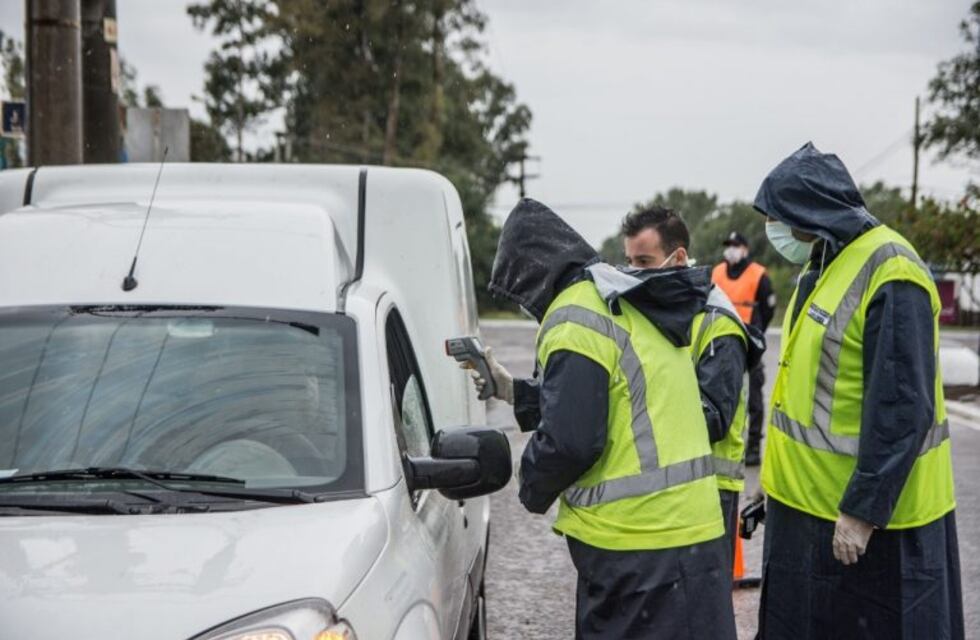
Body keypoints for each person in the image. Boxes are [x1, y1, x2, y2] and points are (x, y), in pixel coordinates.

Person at [474, 198, 736, 639]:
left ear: (535, 274)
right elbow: (618, 400)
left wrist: (530, 483)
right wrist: (514, 391)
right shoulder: (619, 298)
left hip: (638, 546)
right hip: (691, 535)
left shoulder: (575, 315)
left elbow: (572, 439)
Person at [753, 142, 963, 638]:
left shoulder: (892, 271)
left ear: (812, 210)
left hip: (875, 527)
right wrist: (775, 483)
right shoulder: (825, 262)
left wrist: (863, 510)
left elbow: (901, 405)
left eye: (782, 216)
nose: (777, 229)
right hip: (807, 511)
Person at [620, 206, 764, 564]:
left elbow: (712, 420)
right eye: (629, 261)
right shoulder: (653, 313)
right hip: (667, 493)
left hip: (710, 493)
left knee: (701, 615)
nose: (634, 273)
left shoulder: (718, 325)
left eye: (644, 261)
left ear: (678, 256)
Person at [712, 231, 775, 466]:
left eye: (736, 245)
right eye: (728, 245)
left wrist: (758, 332)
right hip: (723, 342)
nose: (731, 249)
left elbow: (769, 309)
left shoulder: (758, 274)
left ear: (745, 249)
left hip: (751, 344)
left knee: (754, 398)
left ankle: (753, 448)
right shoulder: (717, 272)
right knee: (723, 393)